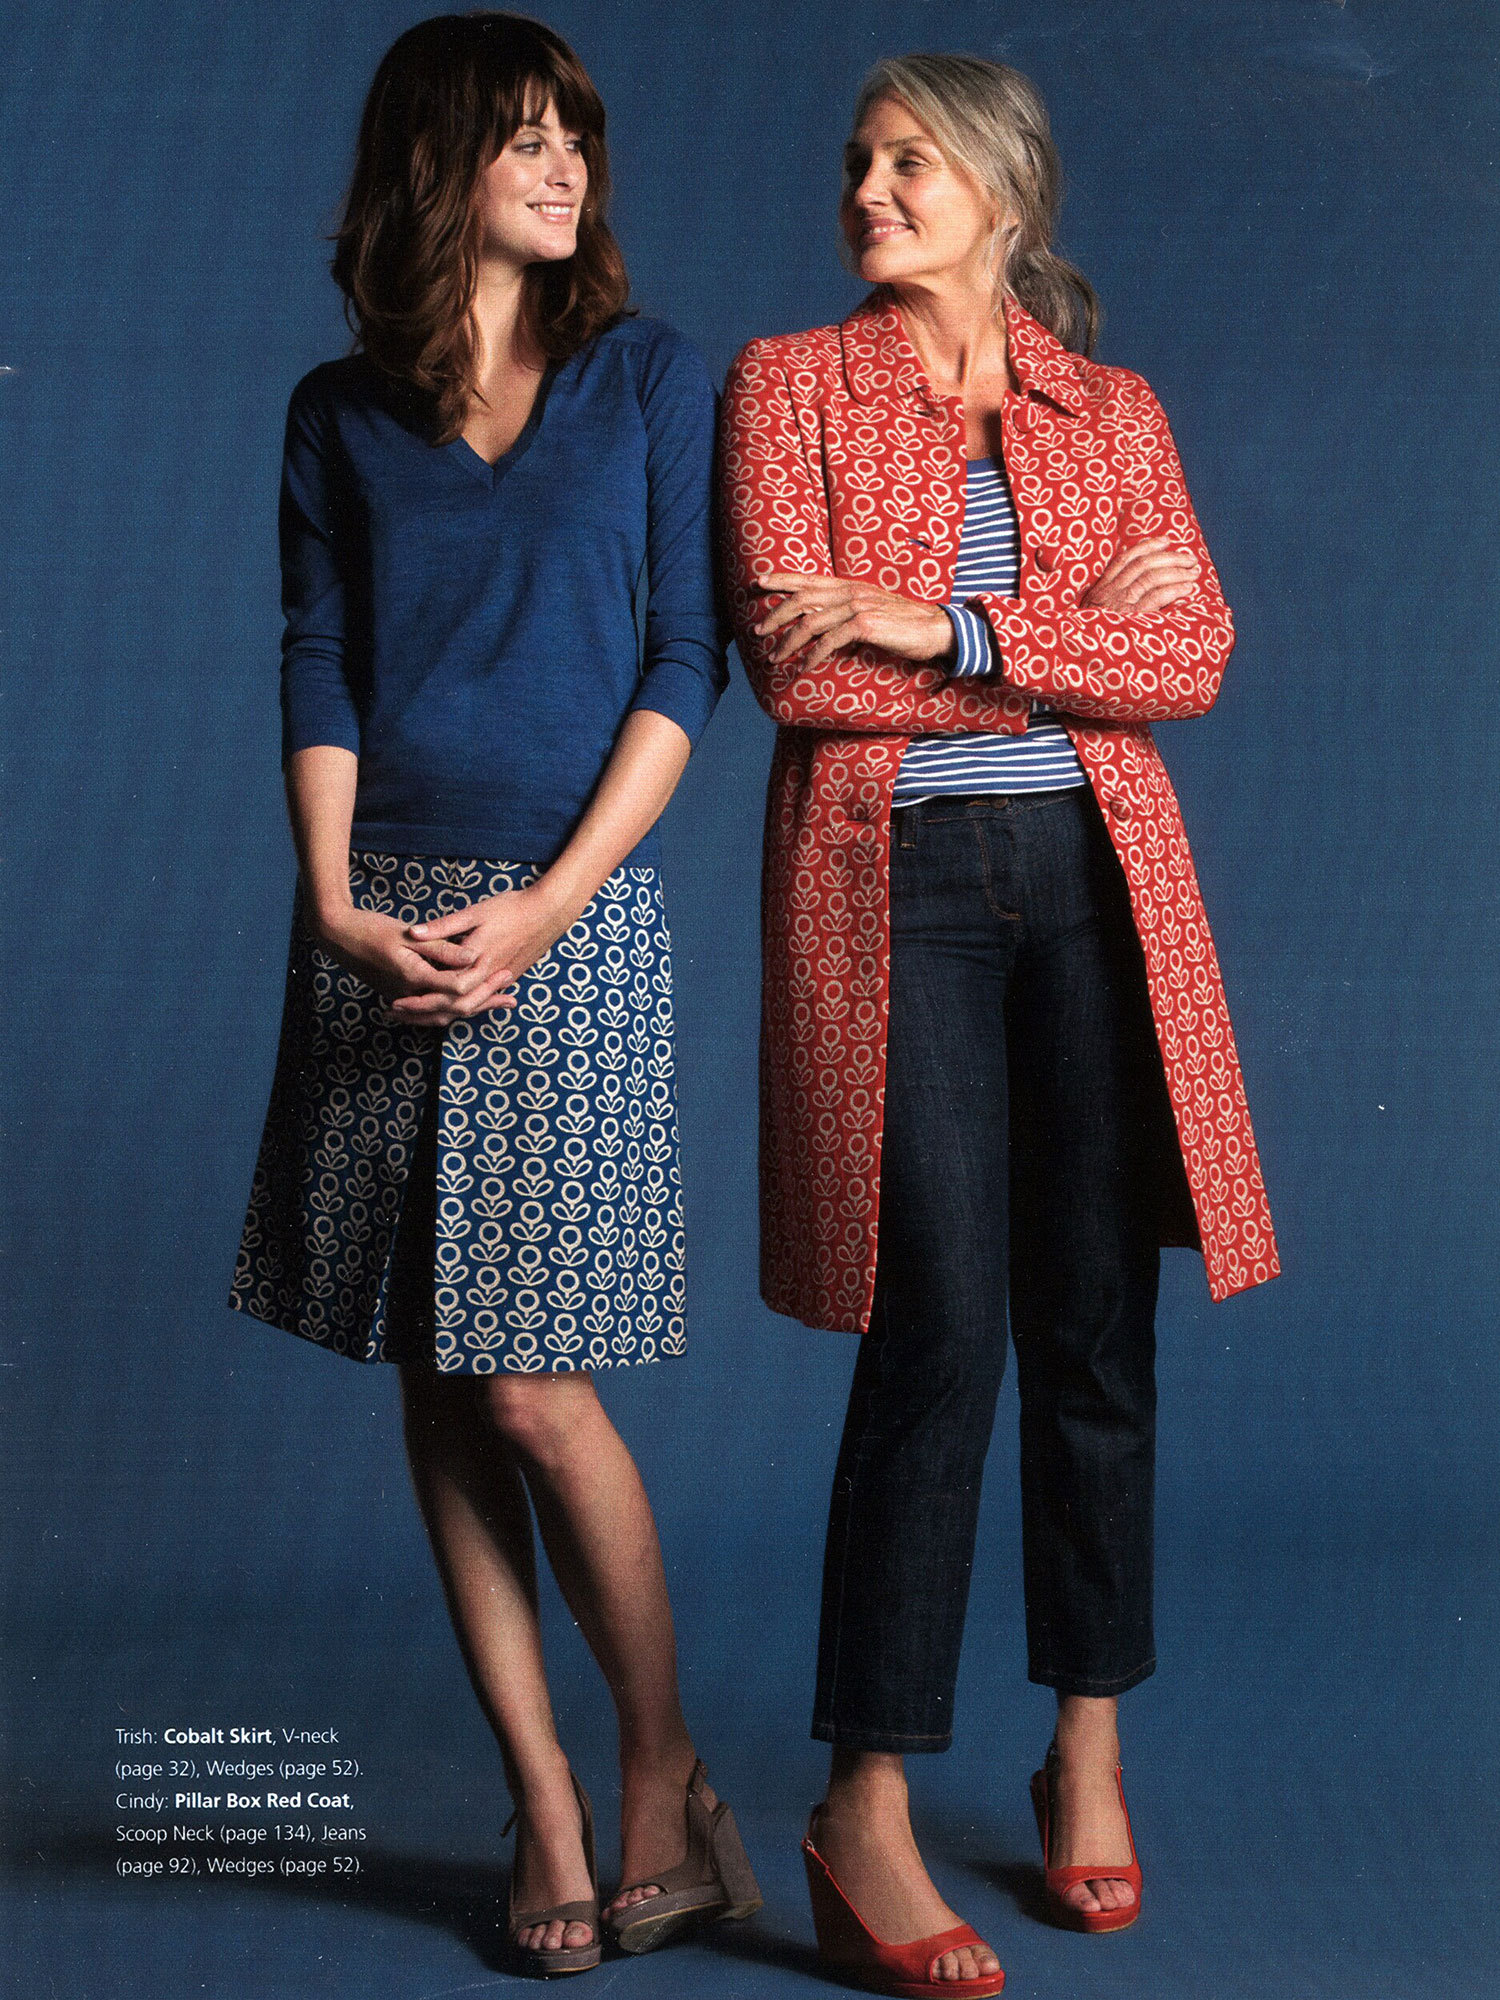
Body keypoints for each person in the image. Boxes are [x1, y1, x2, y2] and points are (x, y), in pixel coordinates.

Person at [720, 51, 1278, 1997]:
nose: (870, 189)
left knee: (1097, 1325)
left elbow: (1193, 655)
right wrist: (1065, 640)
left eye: (913, 162)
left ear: (1005, 194)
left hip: (1101, 886)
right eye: (858, 160)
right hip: (900, 891)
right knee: (940, 1324)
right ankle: (862, 1801)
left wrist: (938, 621)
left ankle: (1085, 1745)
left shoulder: (1111, 408)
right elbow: (799, 678)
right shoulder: (790, 384)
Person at [230, 12, 760, 1976]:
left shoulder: (649, 377)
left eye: (576, 139)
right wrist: (330, 903)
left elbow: (686, 657)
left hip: (569, 909)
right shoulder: (333, 412)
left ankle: (658, 1770)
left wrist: (550, 901)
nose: (565, 167)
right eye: (525, 136)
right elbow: (321, 660)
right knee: (440, 1374)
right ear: (433, 160)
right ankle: (540, 1793)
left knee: (534, 1379)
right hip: (376, 918)